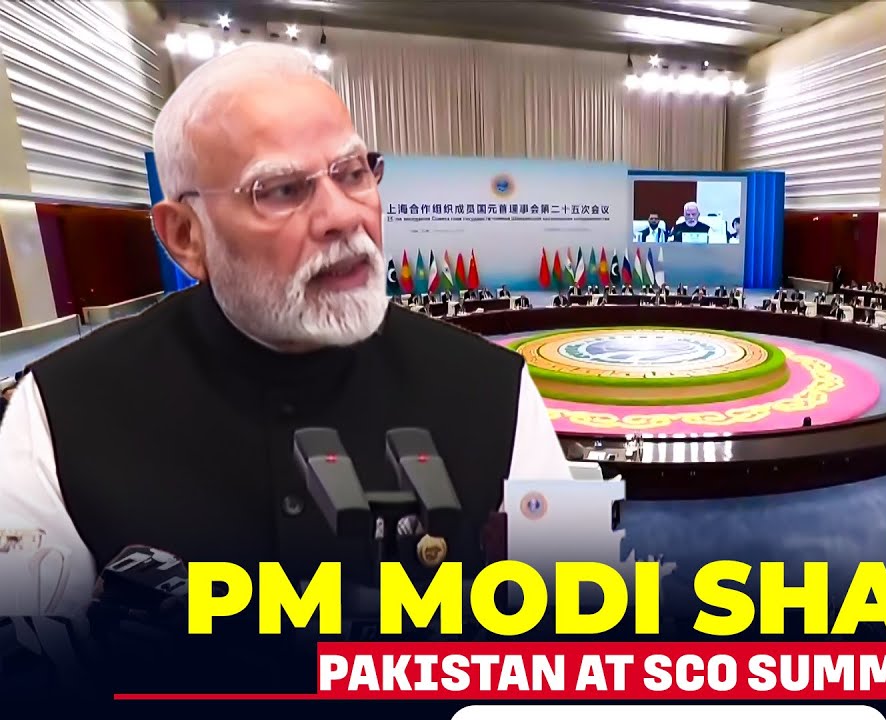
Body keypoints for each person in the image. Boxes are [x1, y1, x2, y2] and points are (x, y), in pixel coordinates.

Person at [0, 44, 575, 621]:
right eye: (280, 189)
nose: (343, 216)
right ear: (185, 236)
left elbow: (574, 617)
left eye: (353, 173)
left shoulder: (497, 390)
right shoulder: (59, 412)